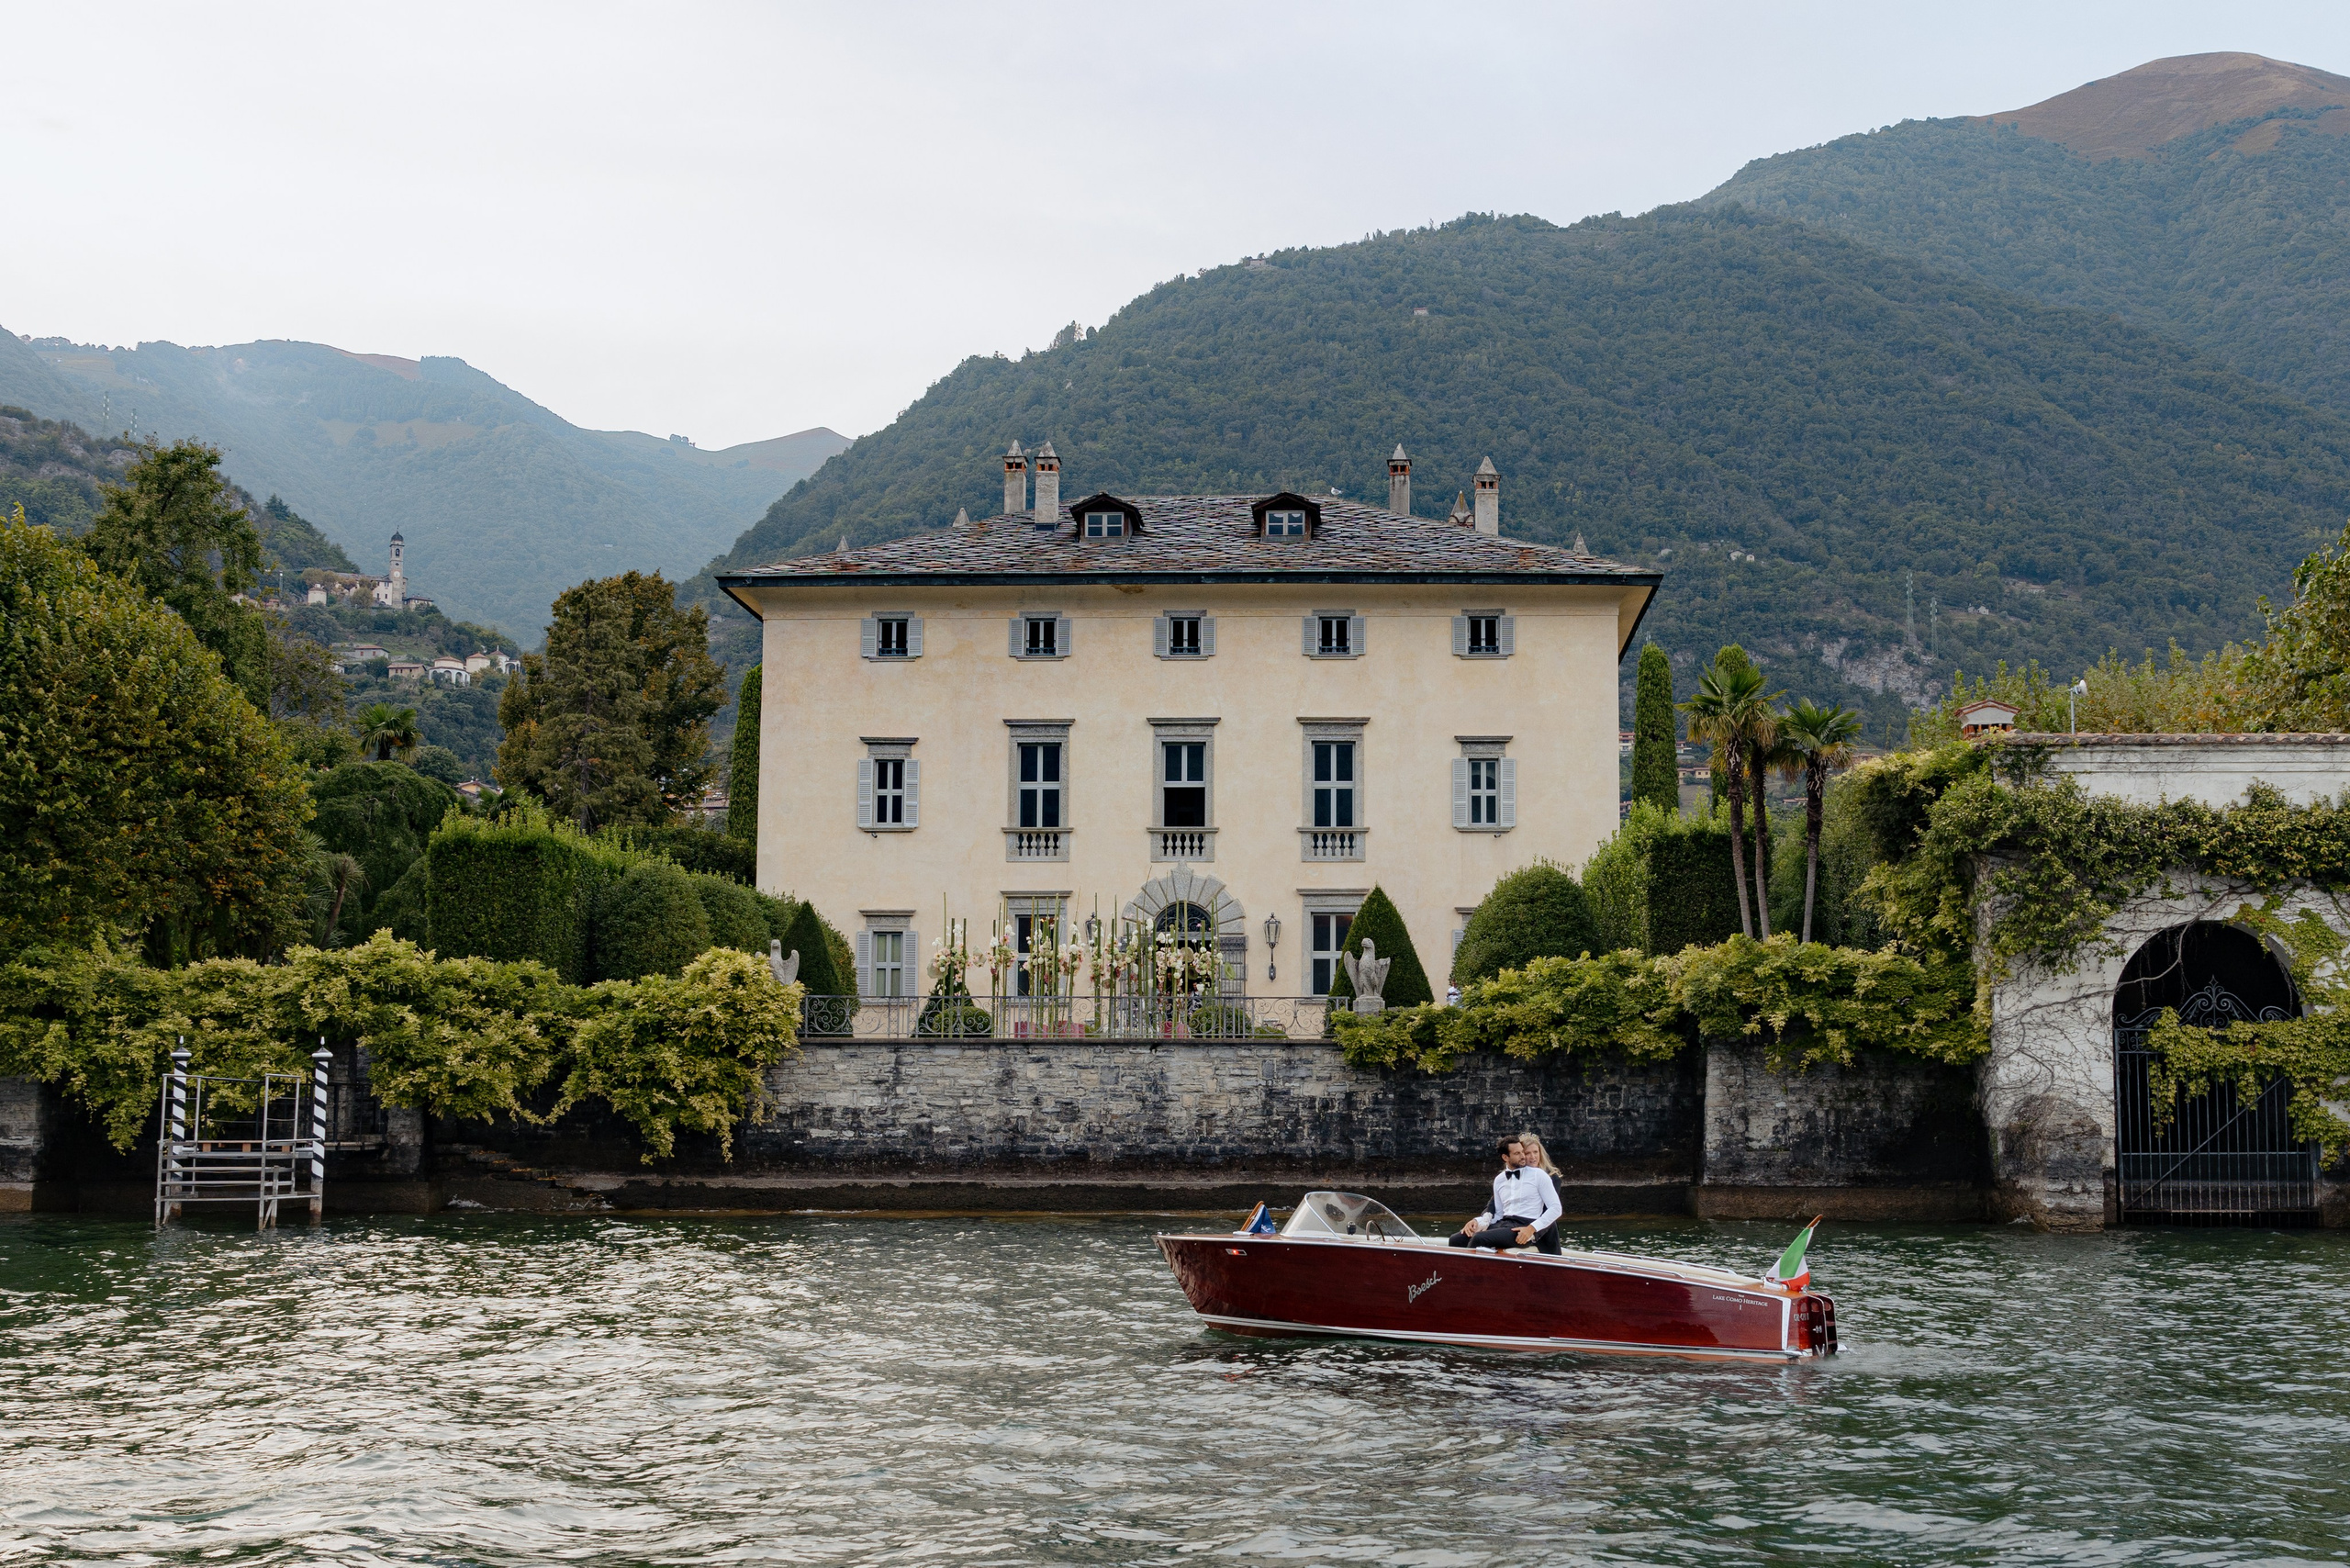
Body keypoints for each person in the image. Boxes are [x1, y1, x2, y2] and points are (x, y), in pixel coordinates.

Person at [1449, 1136, 1562, 1255]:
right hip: (1504, 1223)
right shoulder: (1500, 1180)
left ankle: (1467, 1272)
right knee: (1456, 1239)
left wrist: (1531, 1229)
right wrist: (1477, 1221)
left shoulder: (1540, 1175)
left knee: (1479, 1238)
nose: (1525, 1156)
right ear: (1505, 1157)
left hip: (1526, 1226)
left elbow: (1555, 1209)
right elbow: (1497, 1212)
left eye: (1524, 1152)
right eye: (1520, 1153)